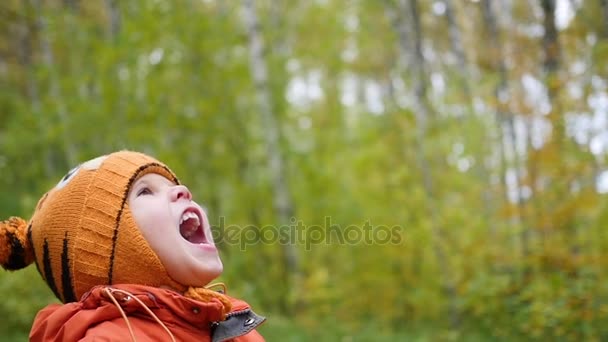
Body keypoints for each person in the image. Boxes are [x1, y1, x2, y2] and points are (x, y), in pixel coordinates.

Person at [0, 150, 265, 341]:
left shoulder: (231, 325)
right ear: (101, 249)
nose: (182, 190)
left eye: (173, 185)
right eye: (146, 191)